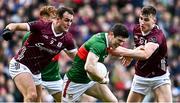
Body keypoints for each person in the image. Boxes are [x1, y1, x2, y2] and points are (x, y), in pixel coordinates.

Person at [1, 6, 77, 102]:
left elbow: (78, 58)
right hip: (20, 64)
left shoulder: (67, 39)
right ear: (58, 19)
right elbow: (15, 25)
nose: (69, 24)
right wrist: (8, 30)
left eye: (71, 21)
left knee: (39, 101)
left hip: (37, 72)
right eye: (66, 20)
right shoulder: (40, 26)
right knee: (31, 95)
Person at [110, 6, 172, 102]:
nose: (142, 22)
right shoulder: (137, 29)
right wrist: (132, 54)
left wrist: (124, 52)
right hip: (141, 76)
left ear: (154, 20)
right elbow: (139, 46)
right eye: (141, 18)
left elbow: (145, 54)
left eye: (146, 20)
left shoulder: (157, 35)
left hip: (159, 77)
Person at [62, 23, 129, 102]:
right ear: (111, 34)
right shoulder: (99, 44)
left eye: (123, 42)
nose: (121, 44)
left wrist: (129, 54)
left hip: (90, 81)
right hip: (74, 82)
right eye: (119, 40)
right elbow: (89, 67)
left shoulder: (106, 38)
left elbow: (115, 49)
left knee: (113, 101)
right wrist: (102, 80)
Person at [21, 6, 65, 102]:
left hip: (53, 78)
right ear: (44, 19)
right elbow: (23, 59)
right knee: (32, 98)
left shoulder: (61, 35)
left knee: (67, 101)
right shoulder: (29, 36)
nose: (57, 21)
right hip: (35, 77)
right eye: (54, 18)